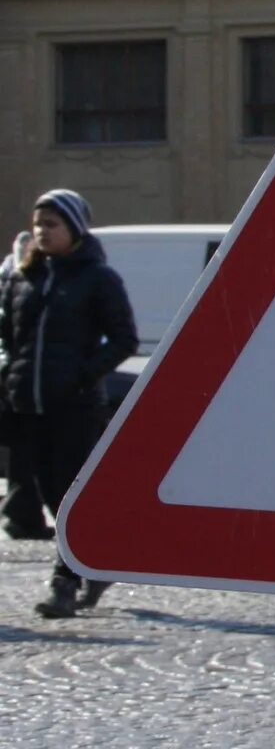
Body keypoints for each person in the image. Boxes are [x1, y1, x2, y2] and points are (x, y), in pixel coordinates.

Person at [0, 191, 137, 618]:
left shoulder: (98, 278)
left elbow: (124, 339)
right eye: (38, 224)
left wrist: (81, 375)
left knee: (68, 496)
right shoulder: (23, 278)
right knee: (47, 495)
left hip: (75, 408)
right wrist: (10, 374)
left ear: (75, 229)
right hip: (28, 407)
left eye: (52, 224)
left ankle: (65, 581)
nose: (42, 232)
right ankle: (92, 564)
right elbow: (8, 336)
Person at [0, 229, 51, 540]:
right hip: (22, 382)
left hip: (28, 381)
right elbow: (8, 332)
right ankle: (22, 513)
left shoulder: (29, 279)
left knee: (28, 455)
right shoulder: (19, 281)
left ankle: (23, 513)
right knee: (27, 455)